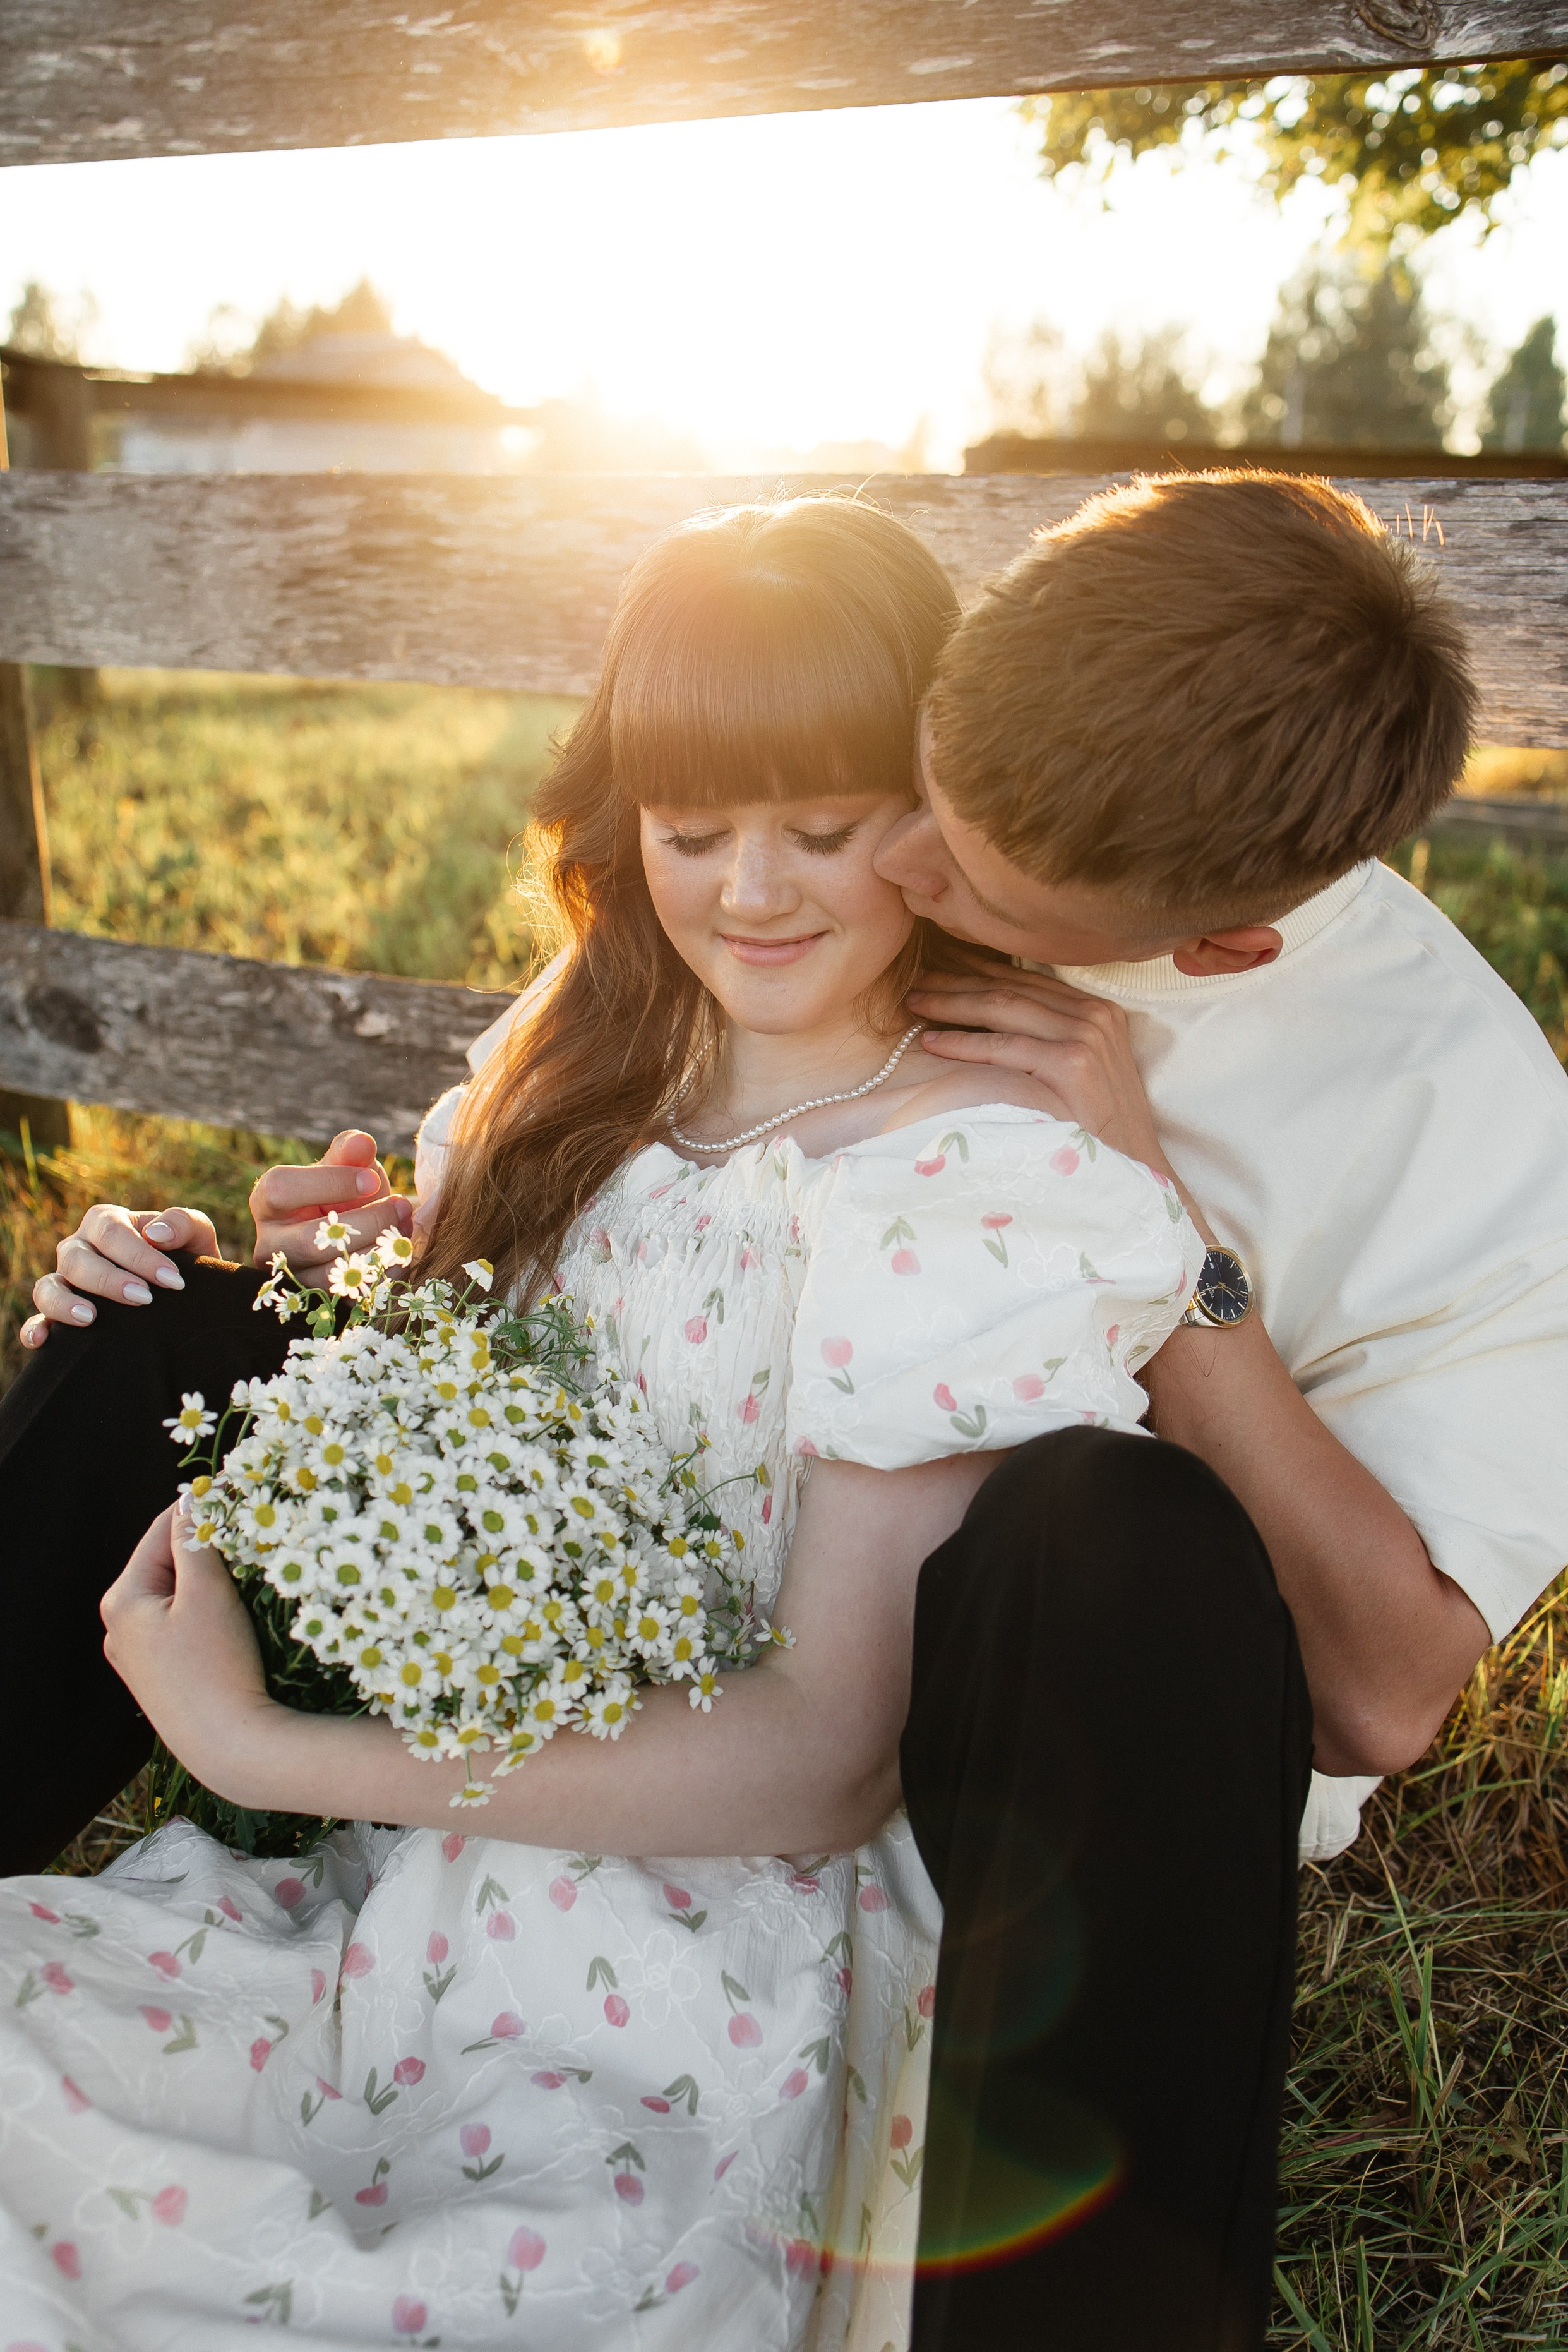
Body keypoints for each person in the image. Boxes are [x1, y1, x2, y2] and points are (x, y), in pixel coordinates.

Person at [15, 467, 1566, 2344]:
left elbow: (1382, 1687)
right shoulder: (683, 982)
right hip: (561, 1723)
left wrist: (1171, 1253)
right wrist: (335, 1284)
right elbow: (538, 1236)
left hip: (990, 1736)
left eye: (898, 842)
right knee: (165, 1315)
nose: (864, 883)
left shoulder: (1409, 1119)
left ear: (1209, 943)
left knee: (1109, 1534)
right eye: (916, 790)